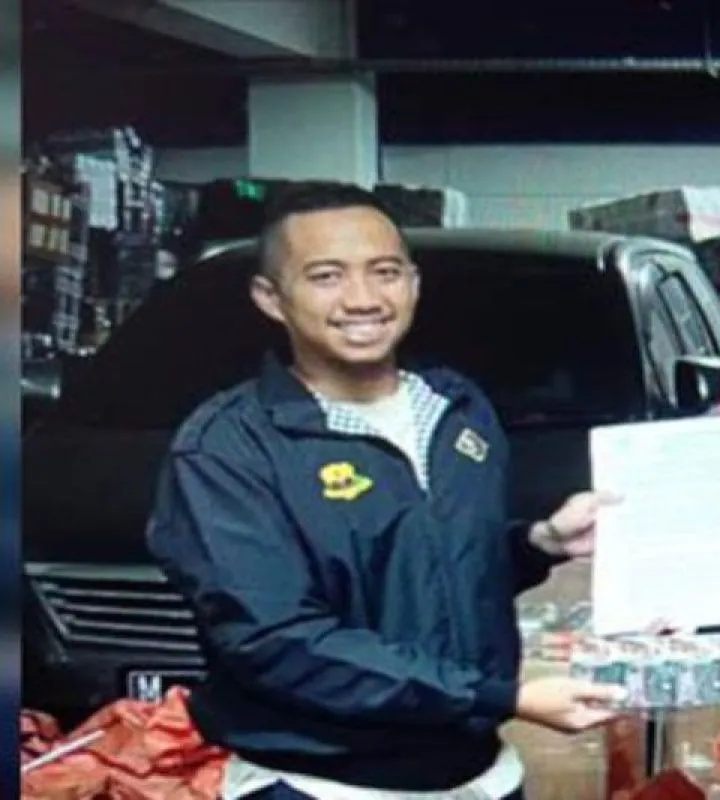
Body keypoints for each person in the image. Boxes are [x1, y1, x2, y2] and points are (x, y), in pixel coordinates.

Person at [145, 182, 625, 800]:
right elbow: (277, 640)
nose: (363, 299)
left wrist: (540, 543)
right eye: (326, 276)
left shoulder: (456, 408)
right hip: (324, 785)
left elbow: (429, 570)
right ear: (271, 297)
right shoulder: (230, 447)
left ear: (413, 284)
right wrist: (502, 697)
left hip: (482, 776)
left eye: (385, 272)